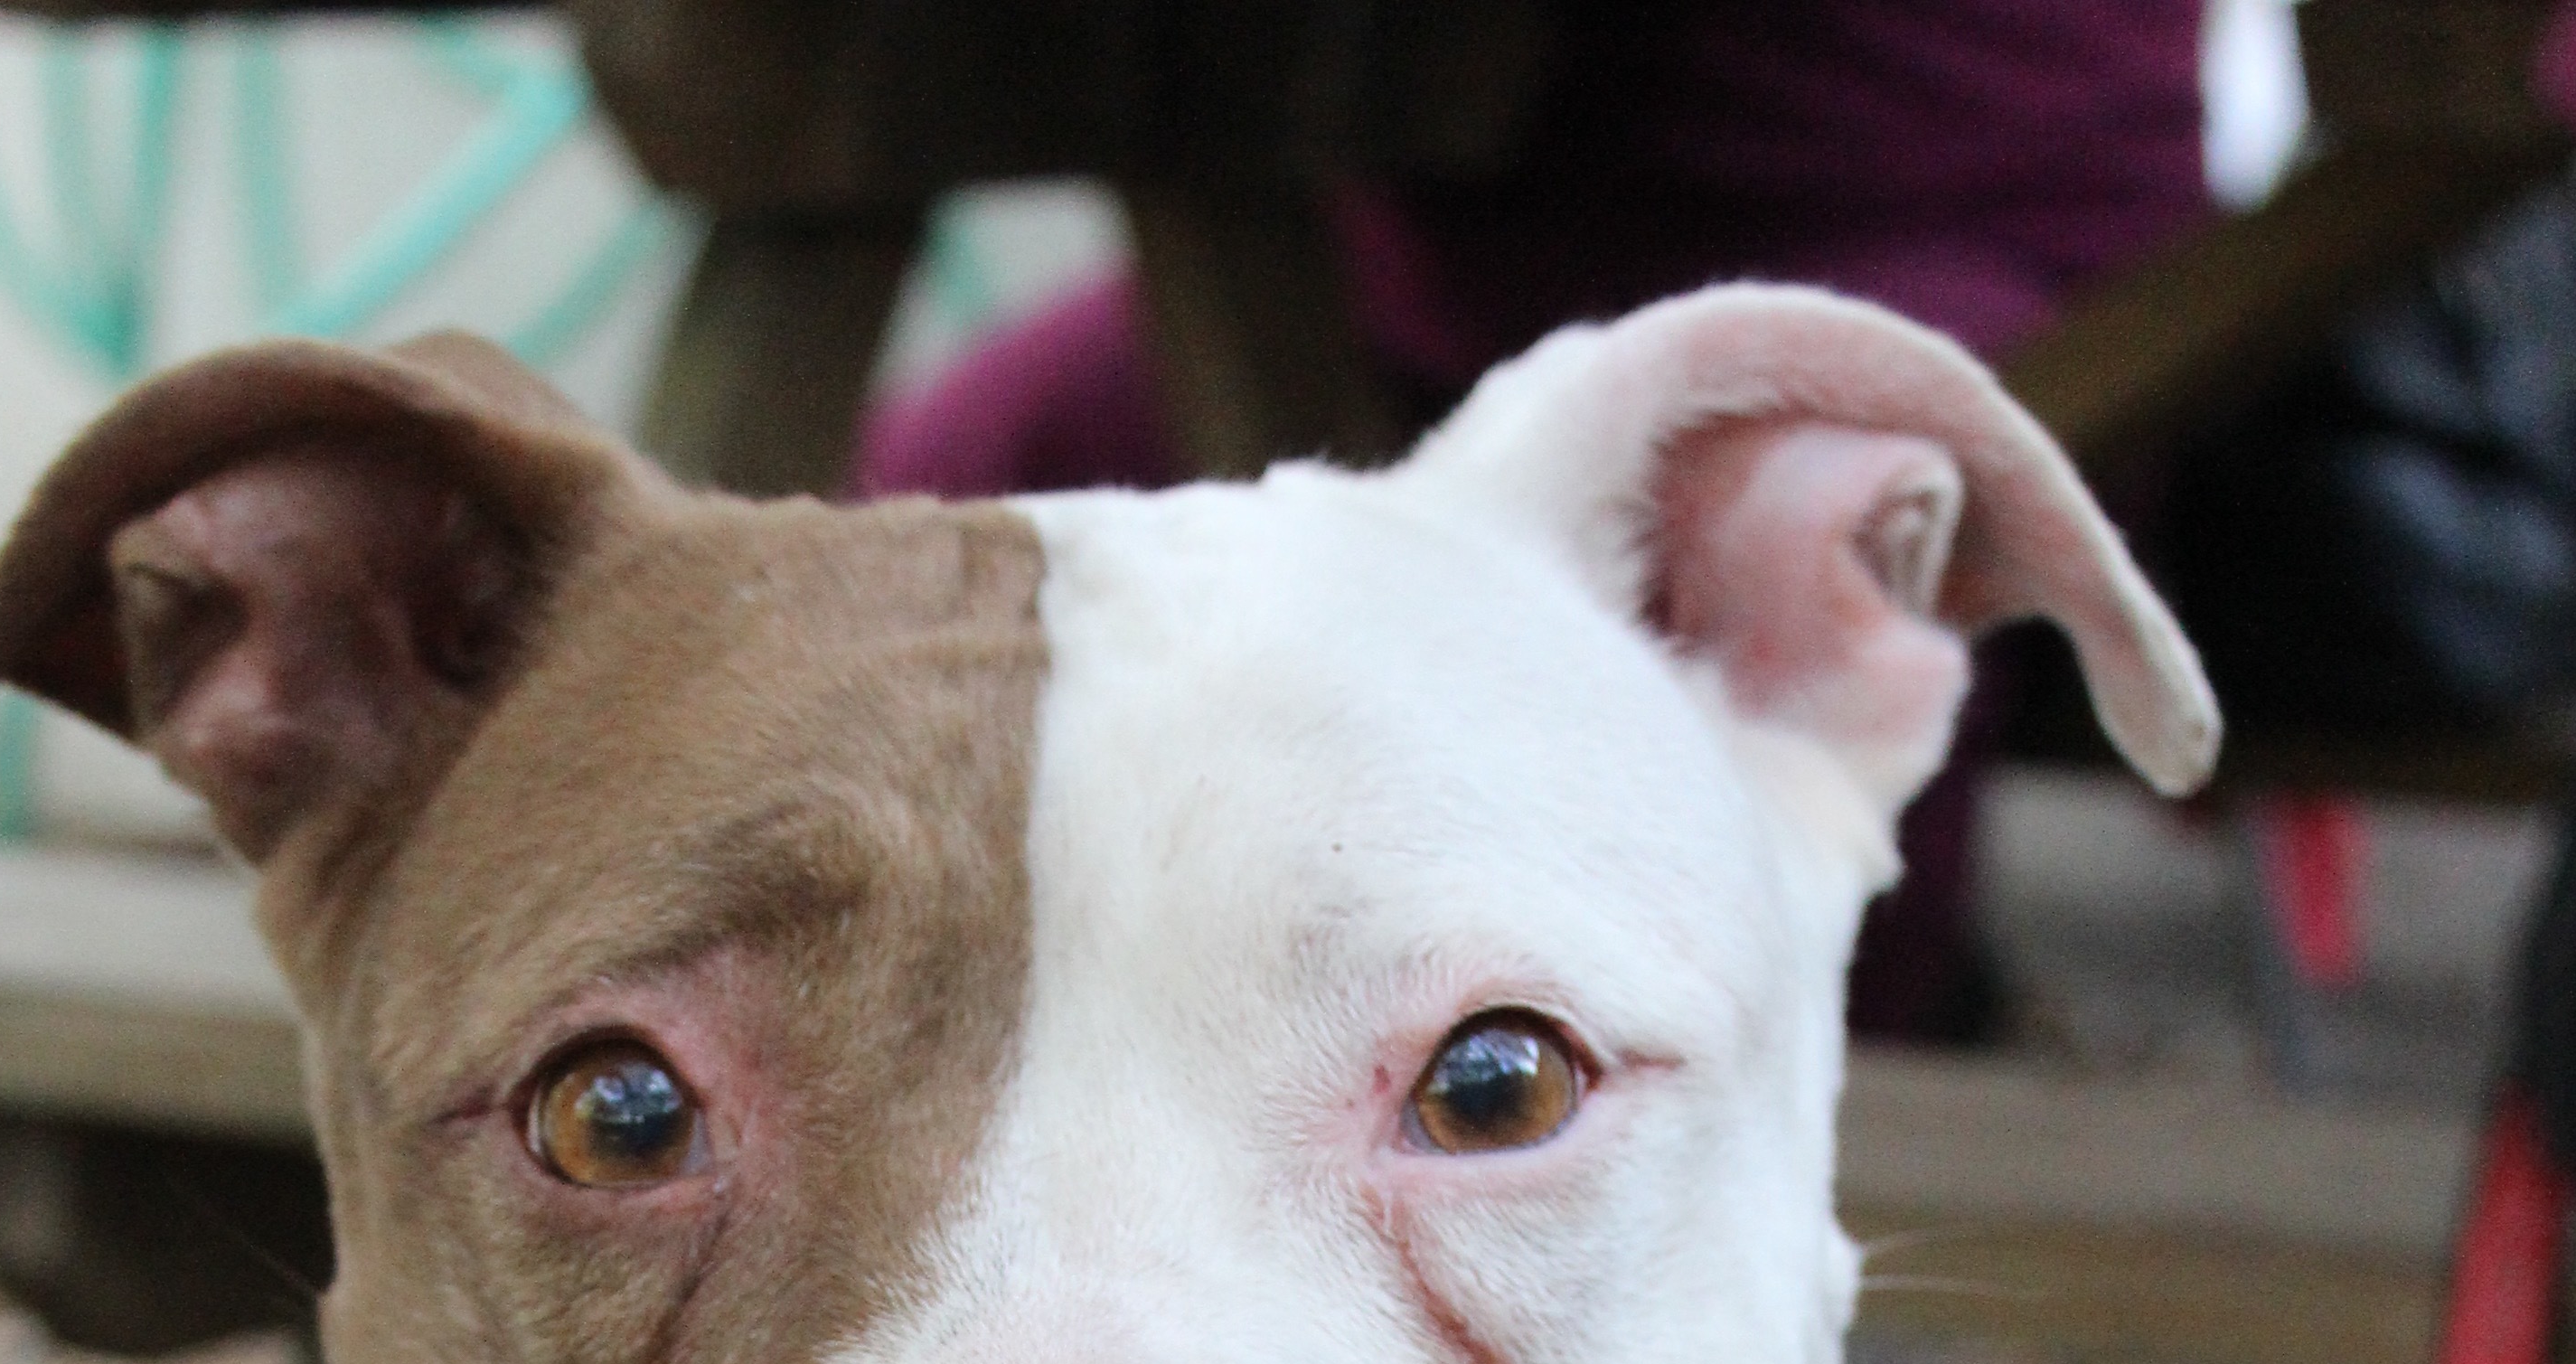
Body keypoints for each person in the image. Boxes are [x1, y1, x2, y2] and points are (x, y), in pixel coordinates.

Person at [856, 0, 2220, 1038]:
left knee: (1784, 596)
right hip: (1425, 273)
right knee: (939, 502)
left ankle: (1830, 1085)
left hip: (1927, 221)